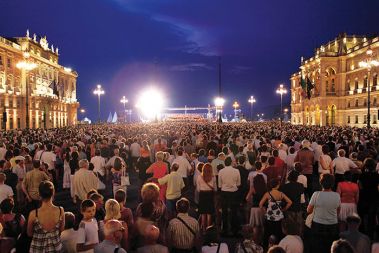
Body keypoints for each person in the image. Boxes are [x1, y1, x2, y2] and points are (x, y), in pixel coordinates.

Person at [27, 180, 65, 253]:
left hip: (37, 248)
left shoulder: (33, 214)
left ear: (40, 194)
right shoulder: (61, 210)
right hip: (56, 247)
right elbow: (61, 230)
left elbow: (29, 233)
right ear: (53, 193)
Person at [307, 174, 340, 253]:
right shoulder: (337, 195)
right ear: (332, 183)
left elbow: (309, 210)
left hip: (318, 225)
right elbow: (338, 211)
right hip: (333, 225)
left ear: (321, 183)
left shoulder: (316, 194)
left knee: (317, 247)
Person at [259, 178, 292, 246]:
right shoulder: (281, 194)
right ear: (277, 185)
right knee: (278, 233)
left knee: (267, 233)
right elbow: (290, 202)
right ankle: (278, 247)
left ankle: (267, 247)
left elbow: (260, 204)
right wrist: (284, 209)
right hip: (279, 217)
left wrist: (265, 211)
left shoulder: (267, 194)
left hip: (269, 217)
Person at [218, 157, 241, 236]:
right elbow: (238, 184)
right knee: (234, 211)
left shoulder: (221, 171)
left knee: (224, 211)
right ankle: (234, 229)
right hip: (234, 192)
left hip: (224, 192)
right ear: (231, 162)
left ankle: (225, 229)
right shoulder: (236, 171)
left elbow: (219, 185)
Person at [357, 158, 379, 239]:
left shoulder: (362, 175)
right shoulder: (377, 176)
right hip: (374, 197)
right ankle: (371, 235)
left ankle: (362, 232)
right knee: (372, 217)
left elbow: (359, 186)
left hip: (363, 197)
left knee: (361, 216)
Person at [196, 163, 216, 231]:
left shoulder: (199, 177)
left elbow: (198, 189)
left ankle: (204, 229)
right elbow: (215, 188)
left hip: (202, 194)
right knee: (209, 213)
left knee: (203, 213)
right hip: (210, 194)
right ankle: (208, 229)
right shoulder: (213, 177)